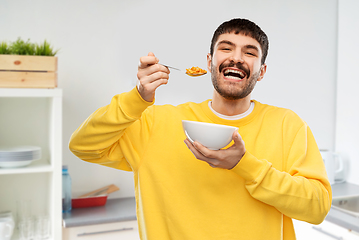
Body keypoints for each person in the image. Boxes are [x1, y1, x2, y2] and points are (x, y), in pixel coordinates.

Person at [69, 18, 332, 240]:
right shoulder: (155, 122)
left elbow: (317, 207)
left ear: (261, 71)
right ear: (209, 61)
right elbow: (83, 145)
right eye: (226, 48)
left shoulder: (288, 125)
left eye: (250, 52)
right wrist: (137, 97)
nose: (236, 58)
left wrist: (245, 164)